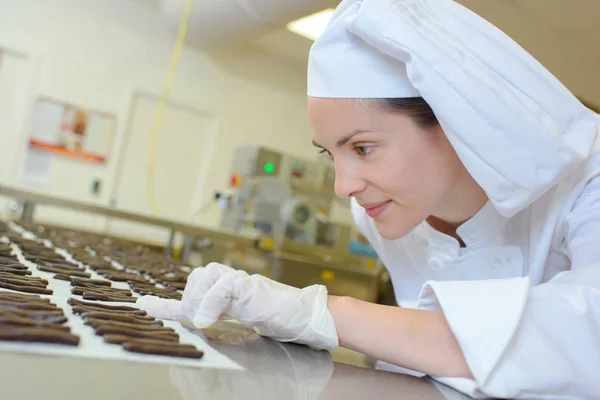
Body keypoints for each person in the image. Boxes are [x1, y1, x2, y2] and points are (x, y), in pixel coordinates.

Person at [138, 0, 600, 398]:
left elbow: (584, 339)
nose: (344, 187)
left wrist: (324, 313)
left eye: (362, 148)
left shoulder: (586, 184)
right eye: (330, 153)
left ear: (453, 123)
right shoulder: (378, 214)